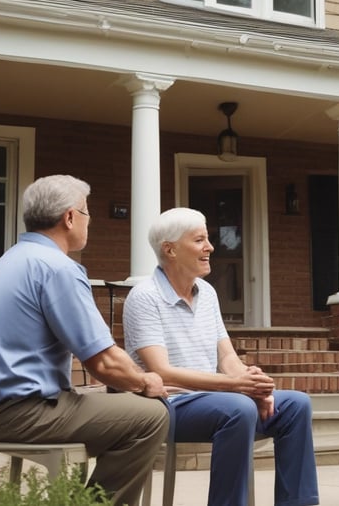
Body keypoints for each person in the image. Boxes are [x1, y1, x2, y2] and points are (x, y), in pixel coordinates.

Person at [0, 175, 170, 506]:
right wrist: (145, 381)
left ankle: (75, 497)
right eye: (86, 212)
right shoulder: (58, 267)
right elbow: (103, 362)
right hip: (23, 414)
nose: (90, 221)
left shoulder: (9, 261)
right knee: (150, 416)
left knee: (113, 406)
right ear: (70, 217)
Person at [122, 207, 319, 506]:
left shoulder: (208, 293)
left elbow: (227, 356)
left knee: (295, 405)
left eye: (208, 239)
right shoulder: (144, 296)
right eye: (200, 240)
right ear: (170, 249)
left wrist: (252, 384)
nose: (210, 247)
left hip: (218, 401)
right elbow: (162, 372)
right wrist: (236, 387)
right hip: (168, 405)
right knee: (238, 407)